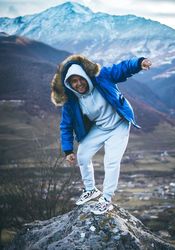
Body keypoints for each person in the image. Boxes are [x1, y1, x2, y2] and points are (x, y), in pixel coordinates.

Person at [51, 54, 152, 215]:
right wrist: (68, 150)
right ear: (69, 84)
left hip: (119, 124)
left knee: (111, 161)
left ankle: (106, 199)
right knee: (82, 156)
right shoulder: (71, 101)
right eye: (73, 82)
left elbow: (122, 69)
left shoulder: (102, 77)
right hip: (100, 127)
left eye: (80, 79)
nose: (78, 84)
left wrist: (139, 63)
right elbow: (66, 125)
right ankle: (91, 190)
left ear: (85, 76)